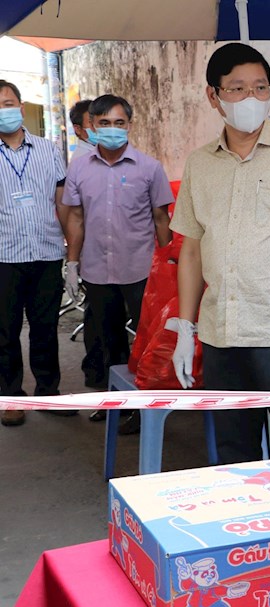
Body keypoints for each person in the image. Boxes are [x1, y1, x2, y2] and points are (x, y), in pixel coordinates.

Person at [170, 43, 270, 477]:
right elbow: (191, 248)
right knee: (233, 449)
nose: (251, 98)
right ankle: (247, 521)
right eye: (238, 89)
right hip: (221, 332)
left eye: (260, 88)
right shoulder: (200, 164)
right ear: (214, 96)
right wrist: (185, 327)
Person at [62, 94, 174, 432]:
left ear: (129, 125)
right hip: (97, 269)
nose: (112, 129)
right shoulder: (79, 167)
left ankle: (145, 407)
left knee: (146, 340)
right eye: (105, 123)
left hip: (140, 269)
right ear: (92, 127)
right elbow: (76, 217)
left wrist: (168, 267)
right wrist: (72, 263)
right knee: (107, 339)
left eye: (119, 123)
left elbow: (161, 219)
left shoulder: (149, 168)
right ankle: (115, 404)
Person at [0, 79, 76, 427]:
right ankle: (11, 398)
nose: (4, 111)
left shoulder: (48, 150)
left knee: (45, 328)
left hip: (46, 253)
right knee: (5, 331)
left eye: (8, 103)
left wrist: (72, 255)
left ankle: (48, 393)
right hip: (4, 257)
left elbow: (63, 204)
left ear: (21, 105)